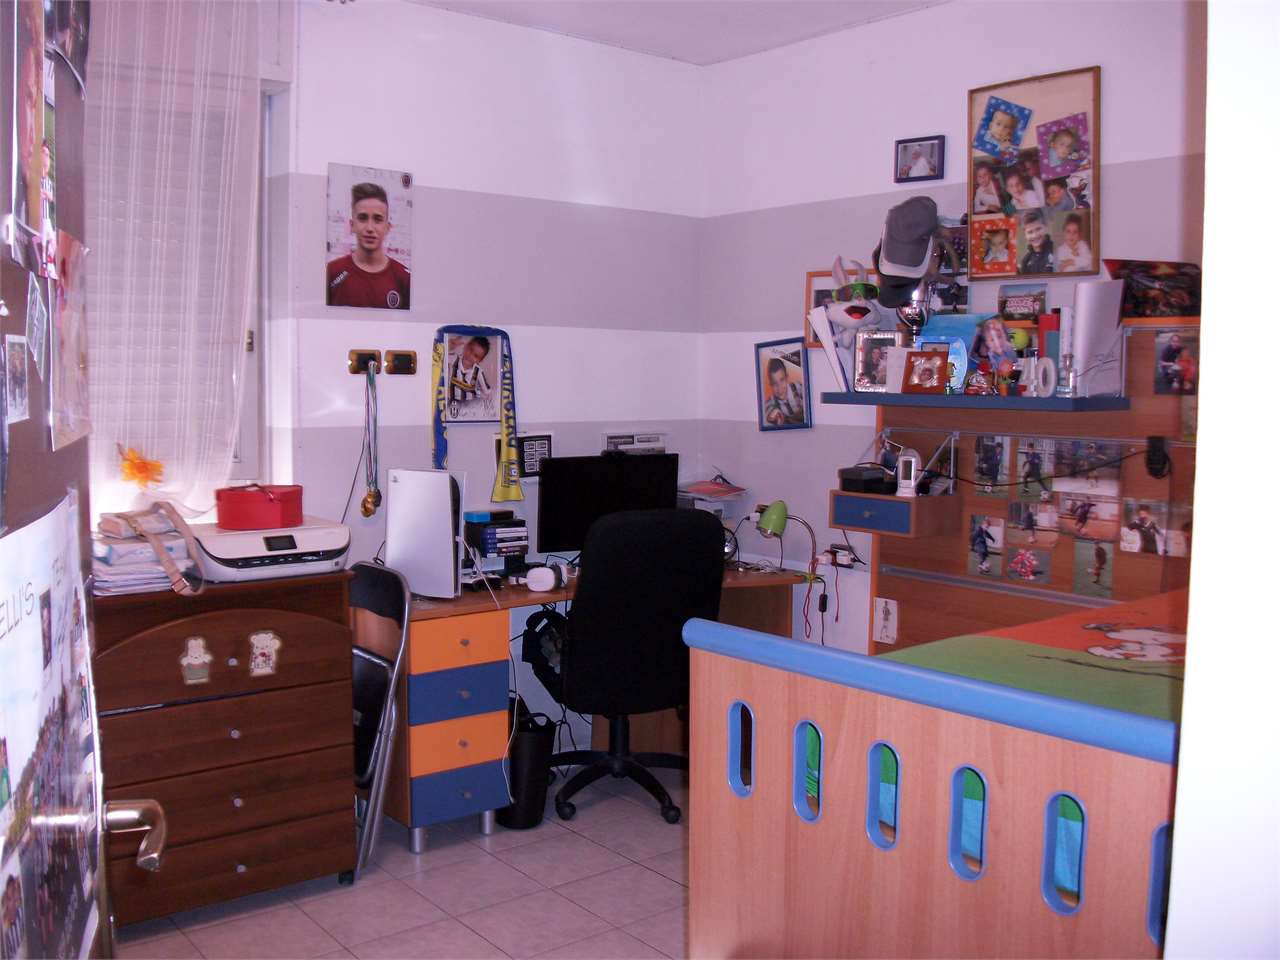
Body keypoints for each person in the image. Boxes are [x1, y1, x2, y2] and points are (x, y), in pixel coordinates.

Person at [326, 182, 411, 309]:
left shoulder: (405, 278)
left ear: (387, 227)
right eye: (362, 218)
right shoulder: (331, 272)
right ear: (352, 225)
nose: (370, 228)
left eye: (377, 219)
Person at [448, 336, 492, 404]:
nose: (470, 356)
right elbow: (440, 356)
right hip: (452, 402)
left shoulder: (478, 371)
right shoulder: (454, 359)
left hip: (470, 404)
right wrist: (450, 346)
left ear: (480, 361)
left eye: (476, 356)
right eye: (470, 350)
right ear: (466, 346)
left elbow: (487, 391)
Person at [764, 357, 805, 425]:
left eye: (782, 380)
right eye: (774, 383)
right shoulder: (771, 402)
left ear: (787, 378)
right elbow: (767, 414)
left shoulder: (797, 388)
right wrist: (771, 416)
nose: (779, 387)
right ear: (770, 384)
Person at [1019, 210, 1055, 274]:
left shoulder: (1057, 252)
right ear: (1025, 235)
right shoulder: (1025, 261)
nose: (1035, 235)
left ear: (1046, 227)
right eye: (1030, 232)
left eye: (1038, 229)